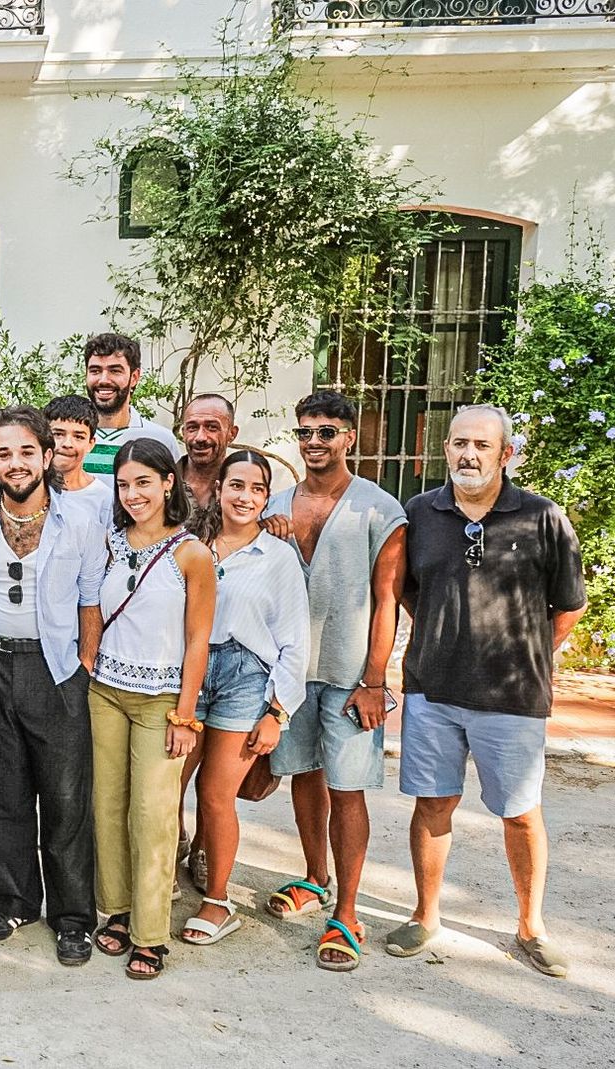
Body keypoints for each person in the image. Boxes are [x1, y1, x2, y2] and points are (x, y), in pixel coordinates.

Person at [388, 405, 586, 978]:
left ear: (506, 454)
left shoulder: (543, 516)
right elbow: (407, 593)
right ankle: (425, 916)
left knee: (521, 813)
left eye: (480, 444)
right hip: (433, 690)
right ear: (444, 449)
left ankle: (531, 927)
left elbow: (569, 606)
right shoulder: (420, 513)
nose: (467, 455)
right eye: (458, 443)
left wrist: (528, 656)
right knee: (433, 804)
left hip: (513, 697)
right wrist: (442, 633)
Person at [263, 390, 407, 973]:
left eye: (327, 432)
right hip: (292, 672)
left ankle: (347, 913)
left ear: (350, 437)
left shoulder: (379, 508)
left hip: (350, 674)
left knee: (347, 789)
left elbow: (387, 599)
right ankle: (315, 878)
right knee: (304, 775)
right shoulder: (274, 501)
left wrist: (375, 680)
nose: (314, 442)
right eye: (306, 431)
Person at [0, 406, 109, 966]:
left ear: (47, 457)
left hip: (58, 669)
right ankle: (15, 899)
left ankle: (73, 918)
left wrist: (85, 663)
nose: (16, 463)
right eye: (3, 453)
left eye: (27, 451)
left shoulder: (81, 522)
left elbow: (90, 597)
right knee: (2, 792)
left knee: (67, 798)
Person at [90, 438, 215, 980]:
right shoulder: (110, 543)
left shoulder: (192, 553)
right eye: (124, 484)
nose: (133, 493)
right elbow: (90, 607)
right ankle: (115, 910)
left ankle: (150, 933)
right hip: (105, 693)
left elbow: (198, 641)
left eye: (144, 482)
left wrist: (187, 715)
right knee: (108, 808)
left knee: (154, 816)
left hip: (162, 700)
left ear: (169, 482)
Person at [178, 451, 309, 948]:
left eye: (257, 489)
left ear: (266, 495)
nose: (245, 497)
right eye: (236, 485)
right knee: (169, 786)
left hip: (243, 676)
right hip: (189, 670)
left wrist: (278, 711)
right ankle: (163, 874)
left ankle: (217, 899)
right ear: (220, 488)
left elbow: (295, 639)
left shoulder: (277, 557)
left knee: (215, 795)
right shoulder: (193, 546)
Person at [79, 332, 181, 478]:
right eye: (95, 371)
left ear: (134, 377)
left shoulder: (161, 439)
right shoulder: (66, 438)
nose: (103, 380)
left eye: (115, 371)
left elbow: (173, 497)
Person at [43, 394, 112, 526]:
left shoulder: (104, 499)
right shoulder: (28, 487)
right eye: (58, 434)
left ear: (91, 444)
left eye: (79, 437)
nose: (67, 443)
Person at [178, 394, 242, 537]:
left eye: (212, 427)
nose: (200, 437)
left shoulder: (244, 488)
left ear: (232, 433)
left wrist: (270, 522)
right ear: (183, 433)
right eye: (192, 428)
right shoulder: (162, 483)